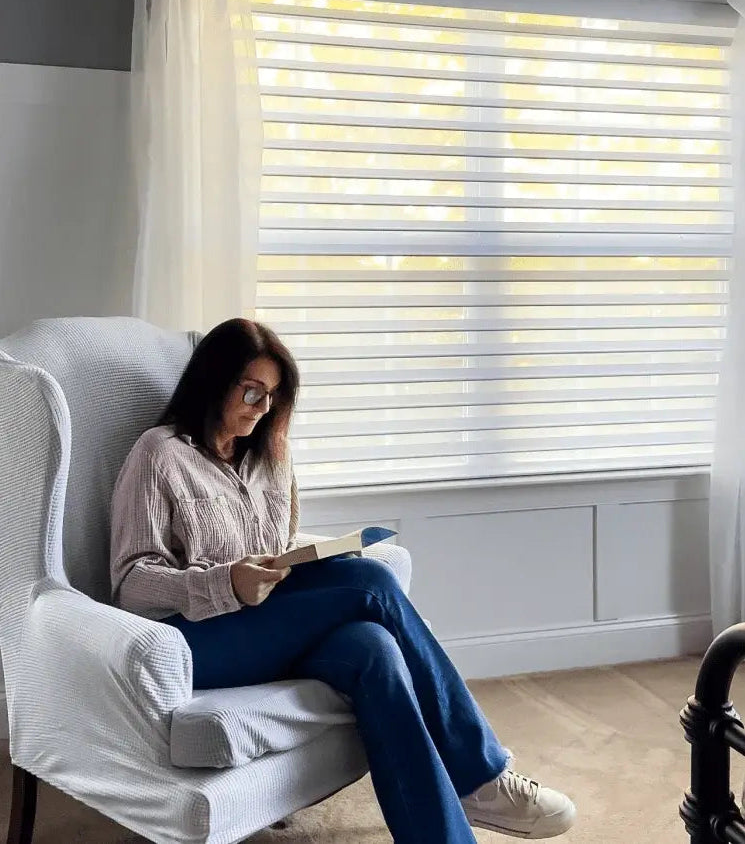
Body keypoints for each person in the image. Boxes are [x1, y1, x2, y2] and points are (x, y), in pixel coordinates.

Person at [110, 318, 576, 842]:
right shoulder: (160, 454)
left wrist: (298, 563)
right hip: (193, 641)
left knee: (373, 646)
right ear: (214, 380)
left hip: (271, 626)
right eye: (251, 391)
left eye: (272, 397)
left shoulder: (271, 458)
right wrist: (225, 584)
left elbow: (280, 548)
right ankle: (479, 773)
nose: (261, 409)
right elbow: (131, 582)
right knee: (370, 583)